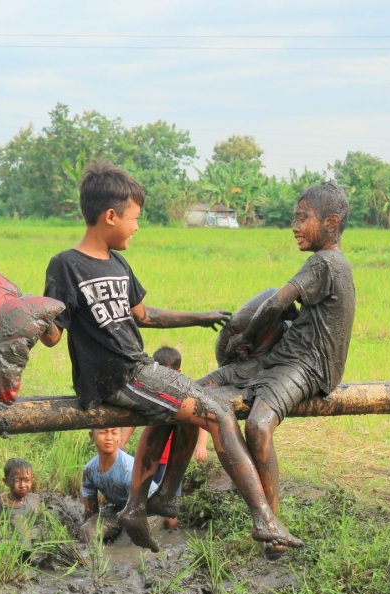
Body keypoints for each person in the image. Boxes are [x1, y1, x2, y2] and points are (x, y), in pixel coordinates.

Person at [41, 160, 303, 553]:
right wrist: (35, 316)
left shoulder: (117, 262)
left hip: (139, 370)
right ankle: (264, 518)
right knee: (218, 413)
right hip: (119, 376)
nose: (137, 226)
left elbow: (144, 316)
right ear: (110, 216)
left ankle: (152, 501)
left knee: (193, 403)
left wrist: (201, 317)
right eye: (134, 218)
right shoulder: (66, 265)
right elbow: (53, 335)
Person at [144, 181, 356, 559]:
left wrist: (249, 337)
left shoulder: (325, 263)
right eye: (295, 217)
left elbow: (275, 305)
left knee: (258, 426)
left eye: (303, 218)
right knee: (189, 393)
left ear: (331, 223)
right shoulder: (324, 263)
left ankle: (271, 525)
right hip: (282, 359)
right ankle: (165, 493)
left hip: (308, 365)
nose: (294, 225)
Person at [119, 345, 209, 530]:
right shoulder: (150, 391)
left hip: (172, 462)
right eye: (160, 373)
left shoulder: (186, 392)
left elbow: (201, 418)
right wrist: (122, 441)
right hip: (152, 460)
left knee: (169, 507)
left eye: (169, 373)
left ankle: (169, 537)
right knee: (143, 500)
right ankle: (149, 534)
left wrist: (201, 445)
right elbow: (134, 417)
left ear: (179, 372)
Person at [80, 427, 157, 542]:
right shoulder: (90, 470)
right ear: (92, 436)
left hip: (148, 510)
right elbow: (90, 512)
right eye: (103, 432)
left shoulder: (129, 470)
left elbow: (138, 511)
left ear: (120, 436)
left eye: (114, 432)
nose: (109, 438)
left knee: (130, 539)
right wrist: (91, 525)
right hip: (120, 509)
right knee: (87, 531)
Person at [0, 457, 44, 530]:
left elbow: (41, 525)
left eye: (26, 480)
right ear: (6, 481)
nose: (22, 485)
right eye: (17, 481)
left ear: (32, 480)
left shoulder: (35, 500)